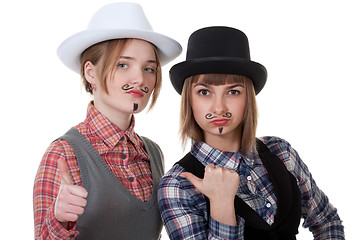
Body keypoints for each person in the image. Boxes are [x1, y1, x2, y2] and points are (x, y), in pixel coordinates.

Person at [158, 26, 344, 239]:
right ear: (189, 101)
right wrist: (221, 202)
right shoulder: (178, 184)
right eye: (204, 92)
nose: (219, 107)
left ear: (248, 98)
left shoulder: (280, 152)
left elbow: (327, 221)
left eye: (233, 91)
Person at [33, 2, 181, 239]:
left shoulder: (153, 153)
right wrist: (59, 219)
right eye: (123, 65)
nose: (139, 78)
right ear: (90, 72)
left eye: (149, 69)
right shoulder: (63, 153)